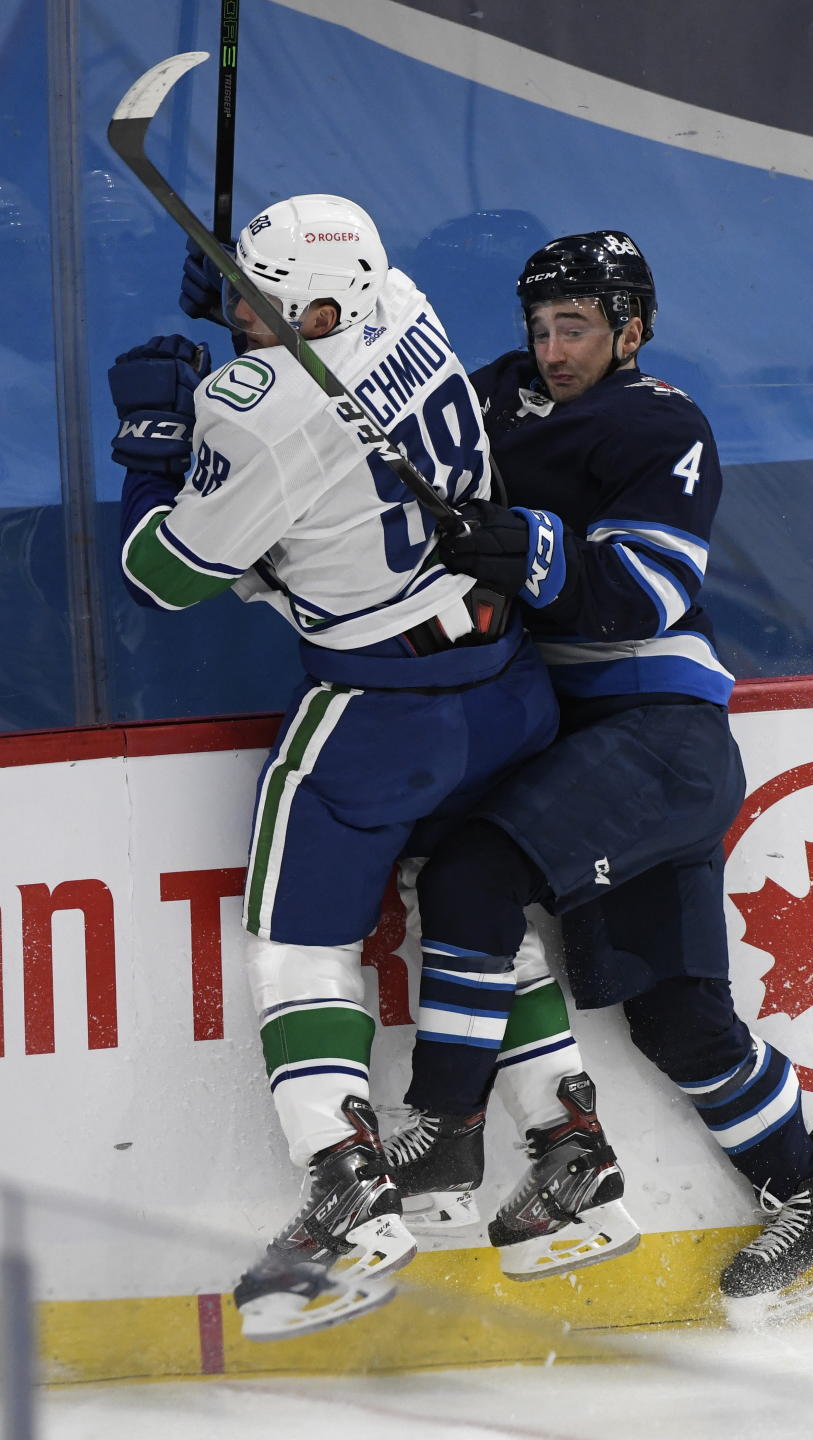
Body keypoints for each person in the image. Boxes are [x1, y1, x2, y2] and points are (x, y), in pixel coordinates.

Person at [382, 230, 813, 1327]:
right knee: (680, 1019)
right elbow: (382, 421)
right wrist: (259, 331)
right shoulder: (498, 392)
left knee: (470, 872)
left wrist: (523, 544)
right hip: (582, 743)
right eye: (543, 328)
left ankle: (448, 1135)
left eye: (580, 329)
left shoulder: (662, 424)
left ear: (632, 330)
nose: (554, 349)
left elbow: (640, 592)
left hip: (659, 738)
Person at [108, 194, 562, 1340]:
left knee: (296, 950)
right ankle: (570, 1135)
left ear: (315, 302)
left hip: (383, 714)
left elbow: (165, 574)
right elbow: (325, 380)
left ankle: (347, 1192)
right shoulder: (404, 304)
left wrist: (155, 453)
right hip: (503, 679)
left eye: (268, 301)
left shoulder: (255, 407)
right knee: (473, 904)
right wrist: (247, 307)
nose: (247, 318)